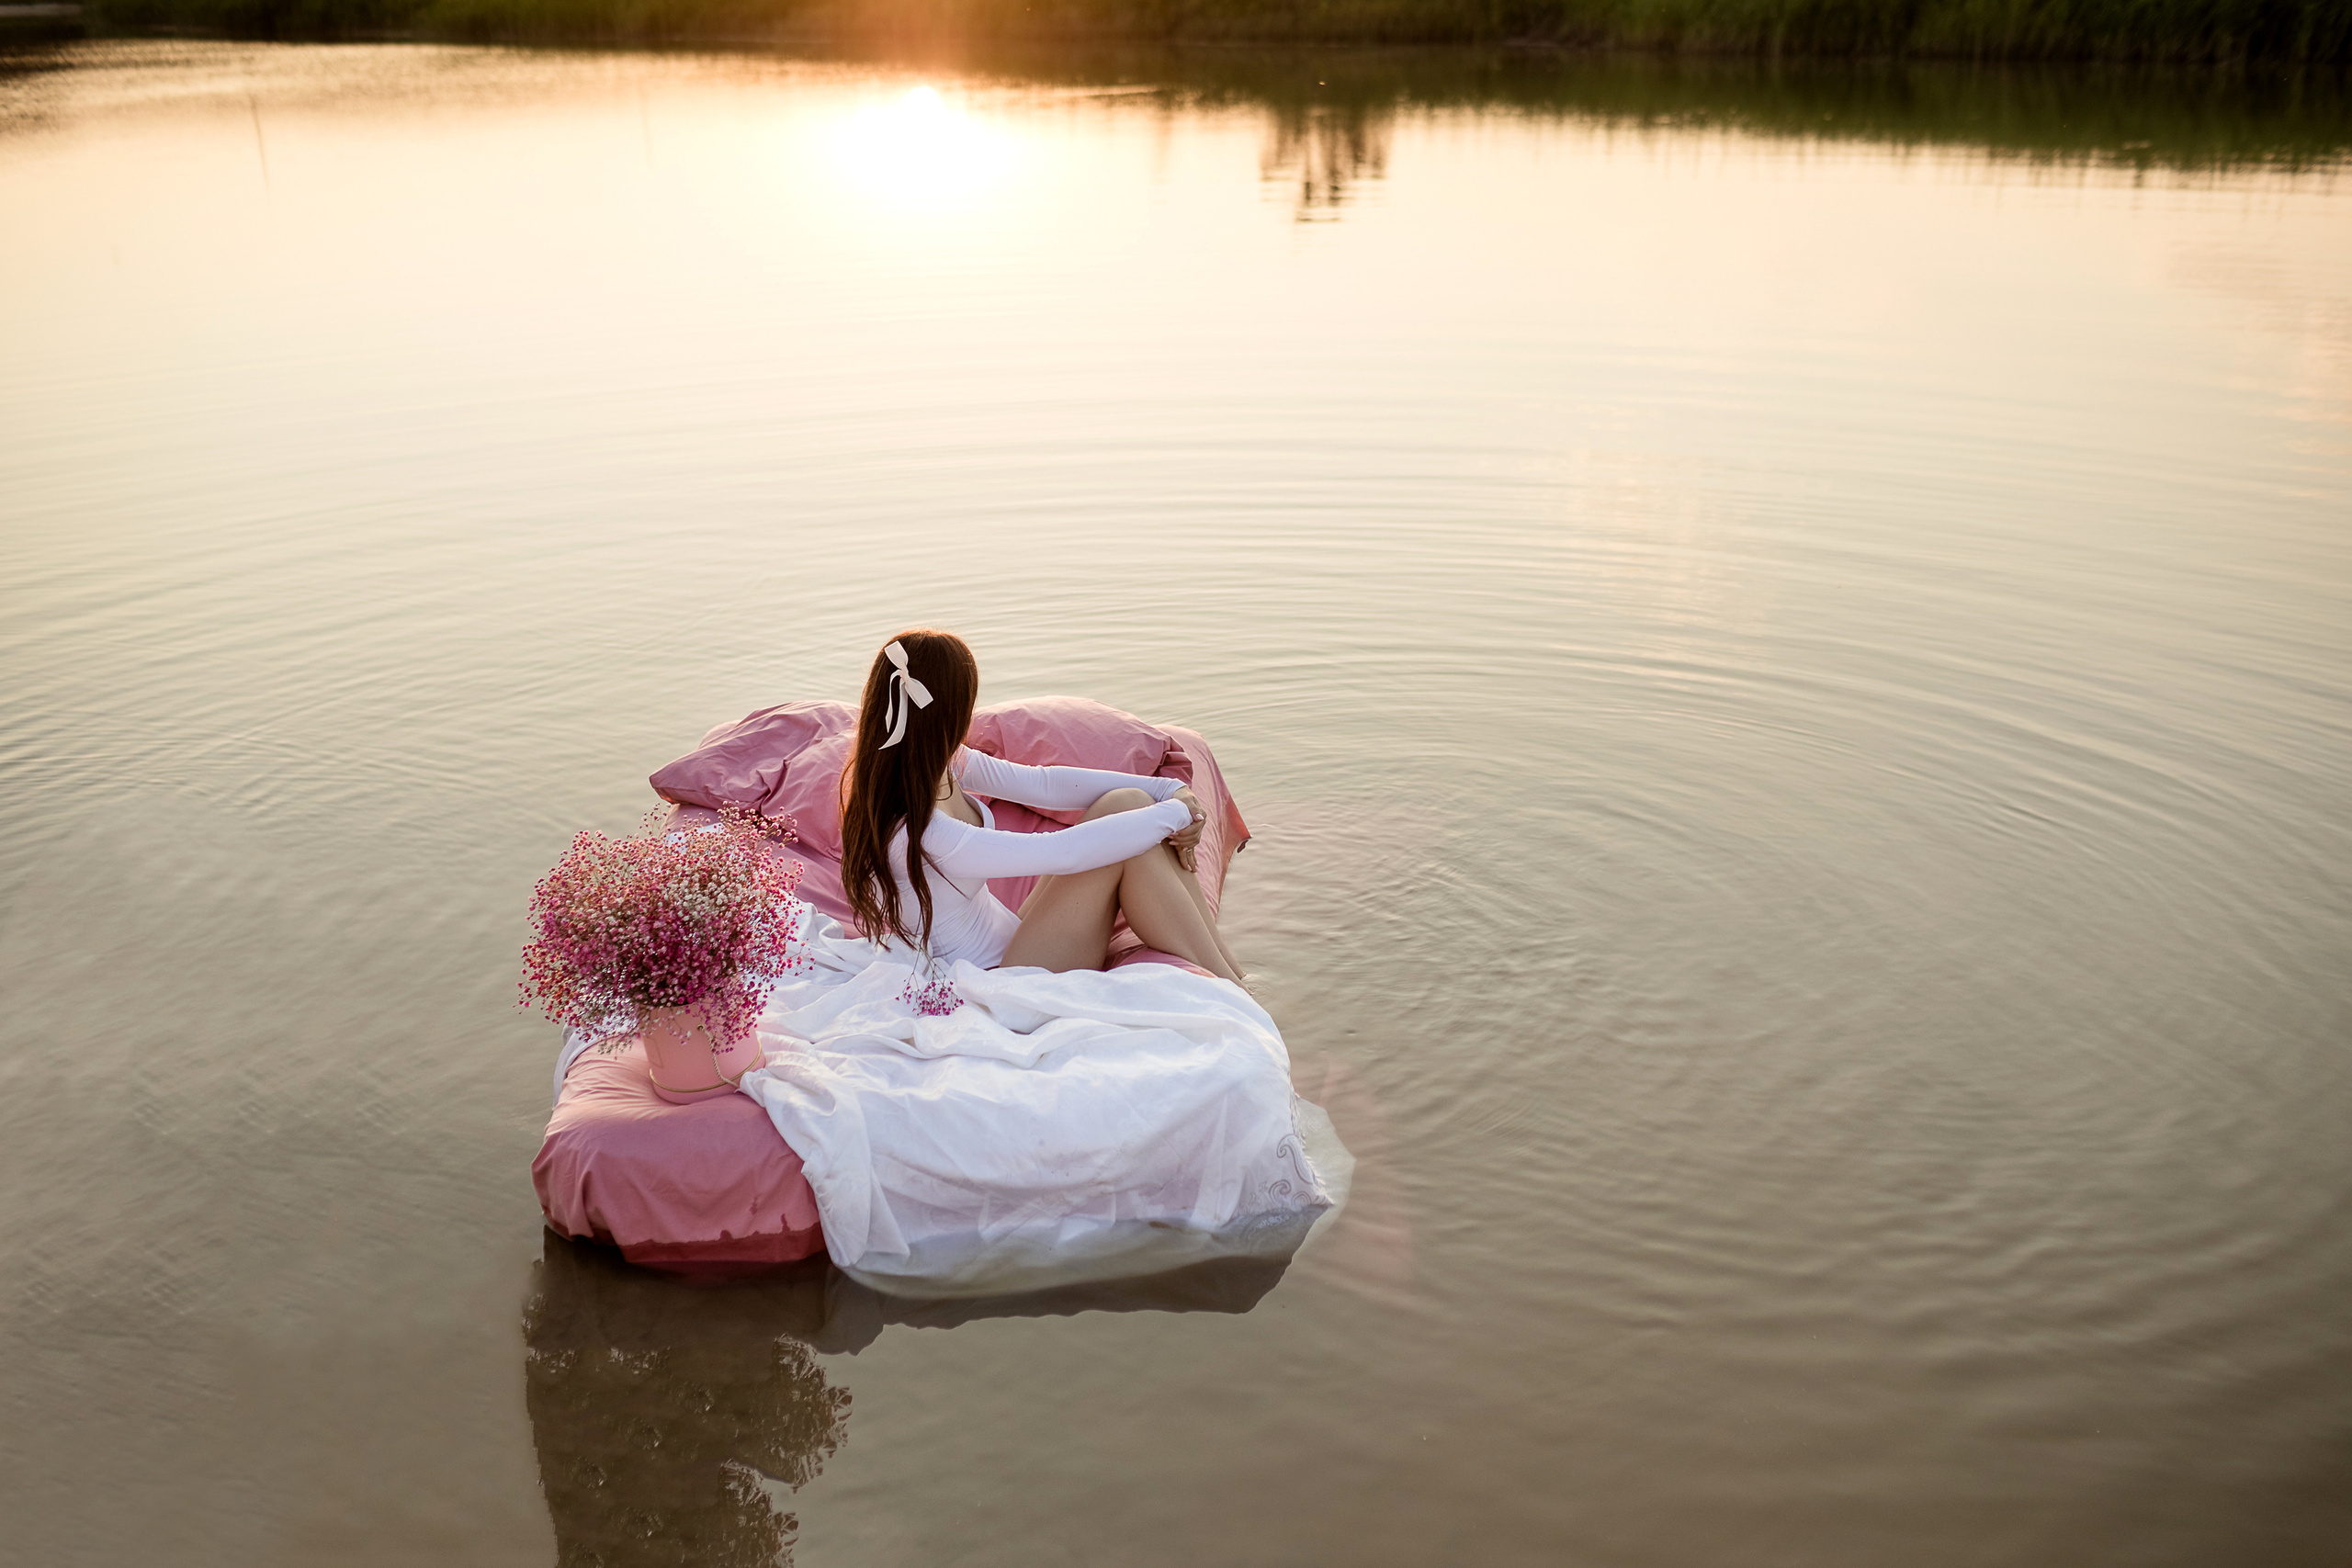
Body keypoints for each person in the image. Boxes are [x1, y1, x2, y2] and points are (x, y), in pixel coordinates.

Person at [837, 629, 1245, 984]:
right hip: (1003, 979)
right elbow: (1060, 852)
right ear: (950, 713)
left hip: (1015, 941)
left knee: (1129, 802)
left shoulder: (942, 766)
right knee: (1134, 843)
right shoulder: (920, 831)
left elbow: (1043, 784)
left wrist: (1168, 790)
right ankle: (1234, 989)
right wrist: (1176, 815)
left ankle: (1231, 969)